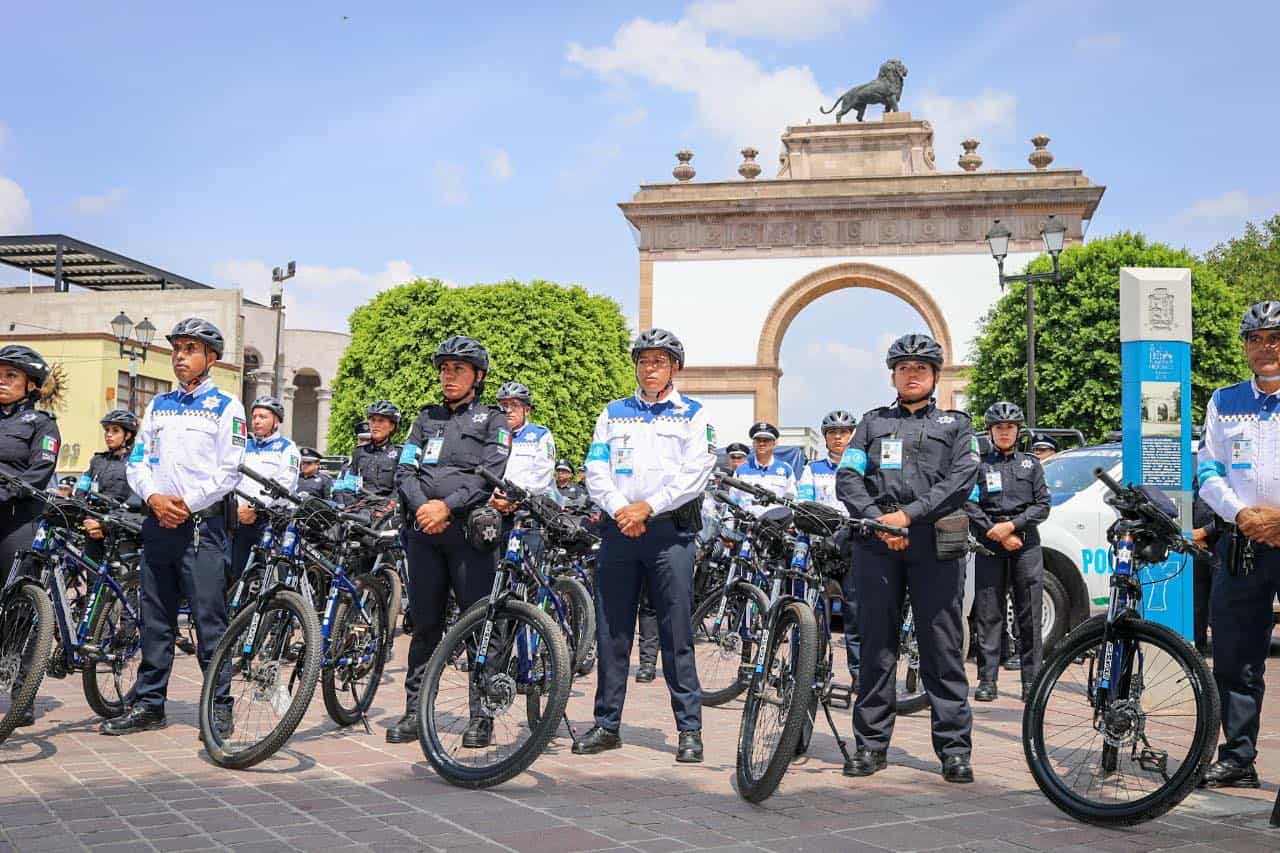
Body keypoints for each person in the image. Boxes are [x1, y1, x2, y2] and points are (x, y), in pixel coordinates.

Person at [836, 333, 979, 783]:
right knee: (876, 648)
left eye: (920, 368)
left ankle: (954, 750)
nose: (911, 374)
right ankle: (870, 745)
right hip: (878, 544)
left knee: (942, 647)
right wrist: (879, 520)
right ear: (893, 376)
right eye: (903, 368)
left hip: (935, 543)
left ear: (935, 376)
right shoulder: (871, 424)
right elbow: (848, 477)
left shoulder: (957, 426)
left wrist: (908, 516)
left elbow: (961, 481)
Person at [572, 328, 716, 763]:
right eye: (643, 361)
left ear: (675, 367)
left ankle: (689, 729)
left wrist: (648, 507)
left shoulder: (693, 415)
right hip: (620, 531)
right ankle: (607, 724)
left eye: (659, 361)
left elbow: (695, 474)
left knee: (676, 633)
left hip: (670, 535)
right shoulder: (613, 413)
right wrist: (622, 509)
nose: (650, 368)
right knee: (612, 631)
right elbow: (596, 468)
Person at [107, 318, 244, 735]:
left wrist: (186, 504)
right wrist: (153, 498)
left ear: (211, 358)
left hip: (202, 528)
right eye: (177, 349)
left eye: (190, 349)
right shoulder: (158, 405)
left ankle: (218, 705)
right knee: (155, 619)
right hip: (158, 524)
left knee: (209, 621)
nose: (180, 356)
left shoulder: (227, 406)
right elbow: (138, 462)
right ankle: (150, 704)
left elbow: (229, 470)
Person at [388, 336, 509, 745]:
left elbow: (489, 474)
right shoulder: (426, 418)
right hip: (424, 532)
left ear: (478, 375)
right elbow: (405, 470)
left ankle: (482, 716)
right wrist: (424, 507)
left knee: (479, 624)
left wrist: (447, 506)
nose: (449, 376)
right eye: (444, 369)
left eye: (458, 369)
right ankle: (415, 711)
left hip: (468, 535)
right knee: (425, 625)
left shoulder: (493, 420)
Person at [1196, 300, 1280, 789]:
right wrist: (1241, 514)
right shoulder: (1224, 402)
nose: (1266, 347)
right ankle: (1238, 758)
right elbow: (1208, 469)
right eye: (1256, 339)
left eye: (1275, 338)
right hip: (1242, 541)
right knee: (1234, 656)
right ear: (1245, 347)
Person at [965, 401, 1050, 703]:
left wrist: (1012, 527)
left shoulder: (1031, 464)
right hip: (990, 543)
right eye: (999, 427)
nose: (1004, 432)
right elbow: (970, 504)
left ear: (1018, 431)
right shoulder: (979, 466)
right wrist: (995, 531)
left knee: (1029, 614)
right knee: (989, 613)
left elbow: (1043, 505)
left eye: (1010, 427)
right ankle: (987, 680)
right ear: (990, 431)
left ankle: (1032, 681)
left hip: (1025, 544)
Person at [0, 345, 60, 727]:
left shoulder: (42, 424)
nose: (1, 382)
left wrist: (7, 492)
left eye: (11, 376)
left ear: (31, 385)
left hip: (18, 518)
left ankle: (23, 695)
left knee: (21, 607)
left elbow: (40, 470)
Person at [798, 409, 859, 683]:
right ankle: (812, 674)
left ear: (851, 436)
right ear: (825, 438)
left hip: (852, 546)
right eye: (833, 433)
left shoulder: (862, 470)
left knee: (855, 614)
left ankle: (859, 677)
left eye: (844, 432)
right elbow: (805, 506)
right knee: (815, 614)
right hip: (821, 547)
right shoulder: (812, 469)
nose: (838, 437)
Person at [231, 396, 299, 579]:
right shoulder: (243, 446)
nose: (256, 421)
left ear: (276, 421)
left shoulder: (287, 448)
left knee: (273, 578)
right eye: (254, 417)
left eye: (263, 417)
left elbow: (286, 484)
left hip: (270, 521)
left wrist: (255, 506)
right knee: (238, 577)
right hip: (241, 520)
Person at [77, 409, 143, 562]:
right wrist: (84, 516)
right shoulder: (97, 461)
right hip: (92, 526)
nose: (108, 434)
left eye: (115, 430)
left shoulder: (136, 462)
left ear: (128, 435)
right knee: (90, 574)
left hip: (121, 529)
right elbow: (81, 489)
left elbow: (135, 502)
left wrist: (104, 524)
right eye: (107, 430)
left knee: (118, 574)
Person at [334, 402, 402, 504]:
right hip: (360, 508)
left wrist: (387, 506)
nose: (375, 425)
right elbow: (349, 486)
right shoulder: (359, 452)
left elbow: (400, 488)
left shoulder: (400, 453)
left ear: (392, 426)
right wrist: (353, 506)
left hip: (387, 509)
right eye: (373, 420)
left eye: (381, 421)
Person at [732, 422, 797, 508]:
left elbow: (792, 501)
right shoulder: (741, 470)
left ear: (774, 444)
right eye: (758, 440)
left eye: (766, 440)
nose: (761, 444)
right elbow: (733, 500)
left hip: (775, 516)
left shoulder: (786, 470)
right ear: (753, 444)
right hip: (748, 516)